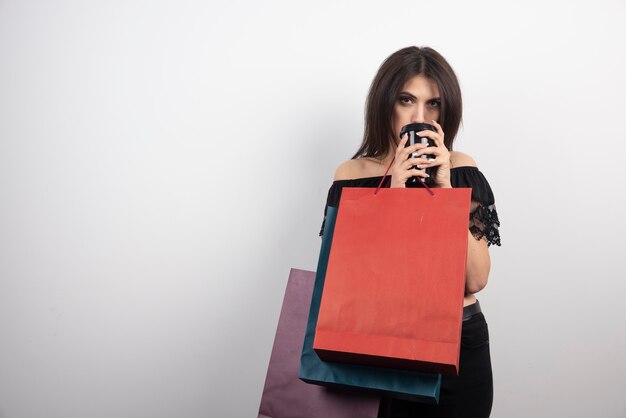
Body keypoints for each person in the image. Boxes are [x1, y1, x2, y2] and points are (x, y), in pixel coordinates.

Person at [318, 46, 501, 417]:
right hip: (370, 347)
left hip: (455, 346)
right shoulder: (351, 176)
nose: (420, 116)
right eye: (407, 100)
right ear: (385, 103)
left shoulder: (462, 169)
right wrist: (394, 195)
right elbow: (343, 279)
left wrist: (445, 191)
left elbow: (476, 278)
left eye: (433, 104)